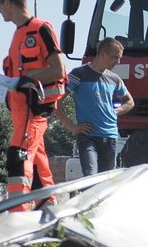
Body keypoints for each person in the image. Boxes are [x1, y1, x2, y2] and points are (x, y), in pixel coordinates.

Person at [0, 0, 67, 212]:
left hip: (34, 110)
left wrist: (25, 80)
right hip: (19, 111)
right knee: (38, 162)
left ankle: (17, 216)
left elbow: (58, 70)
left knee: (18, 156)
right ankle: (48, 211)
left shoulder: (41, 29)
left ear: (8, 2)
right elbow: (13, 77)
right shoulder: (17, 34)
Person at [56, 38, 135, 176]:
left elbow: (130, 101)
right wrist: (72, 127)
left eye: (119, 58)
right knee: (90, 176)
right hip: (88, 136)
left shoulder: (114, 78)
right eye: (115, 57)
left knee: (107, 179)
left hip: (110, 136)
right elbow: (57, 101)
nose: (118, 62)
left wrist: (114, 111)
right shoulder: (78, 74)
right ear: (103, 54)